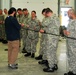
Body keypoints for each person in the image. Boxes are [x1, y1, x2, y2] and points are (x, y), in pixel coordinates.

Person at [40, 8, 60, 72]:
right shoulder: (55, 18)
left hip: (52, 38)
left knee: (50, 52)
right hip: (52, 38)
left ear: (48, 13)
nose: (45, 16)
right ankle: (54, 64)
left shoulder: (53, 18)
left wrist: (45, 30)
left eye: (46, 14)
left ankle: (51, 67)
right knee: (53, 52)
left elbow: (54, 29)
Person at [64, 9, 76, 75]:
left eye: (68, 14)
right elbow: (69, 32)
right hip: (69, 43)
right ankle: (71, 70)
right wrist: (65, 32)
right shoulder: (70, 22)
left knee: (74, 58)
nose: (68, 15)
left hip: (74, 44)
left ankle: (74, 72)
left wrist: (69, 34)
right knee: (70, 57)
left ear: (71, 13)